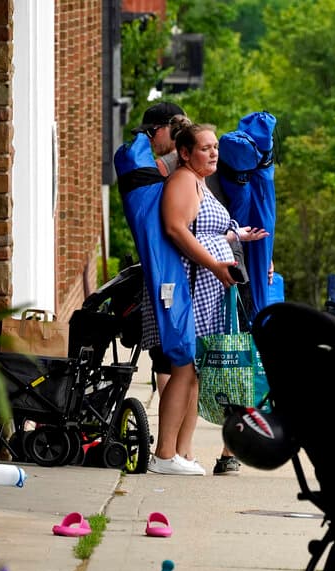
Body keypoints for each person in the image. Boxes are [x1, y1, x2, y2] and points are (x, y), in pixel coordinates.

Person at [143, 116, 268, 475]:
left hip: (205, 288)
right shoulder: (183, 181)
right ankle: (164, 455)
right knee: (182, 367)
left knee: (191, 370)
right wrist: (216, 265)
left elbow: (202, 228)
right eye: (205, 148)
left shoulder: (198, 182)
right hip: (189, 286)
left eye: (215, 147)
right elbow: (176, 229)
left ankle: (177, 452)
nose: (213, 153)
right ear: (185, 153)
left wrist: (236, 237)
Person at [137, 101, 187, 396]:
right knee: (185, 361)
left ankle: (168, 441)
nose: (150, 140)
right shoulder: (203, 160)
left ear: (169, 129)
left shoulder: (164, 167)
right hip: (198, 266)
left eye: (152, 132)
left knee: (166, 359)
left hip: (166, 268)